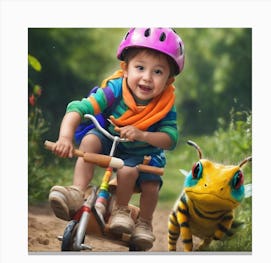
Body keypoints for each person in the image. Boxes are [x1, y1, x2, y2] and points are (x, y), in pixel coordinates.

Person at [48, 28, 185, 250]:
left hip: (143, 152)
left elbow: (170, 138)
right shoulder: (114, 89)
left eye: (158, 72)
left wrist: (142, 134)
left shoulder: (164, 106)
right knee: (90, 141)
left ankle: (140, 221)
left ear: (169, 80)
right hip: (110, 140)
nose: (147, 78)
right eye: (140, 68)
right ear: (125, 68)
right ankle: (76, 191)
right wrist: (65, 137)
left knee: (143, 180)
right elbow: (79, 108)